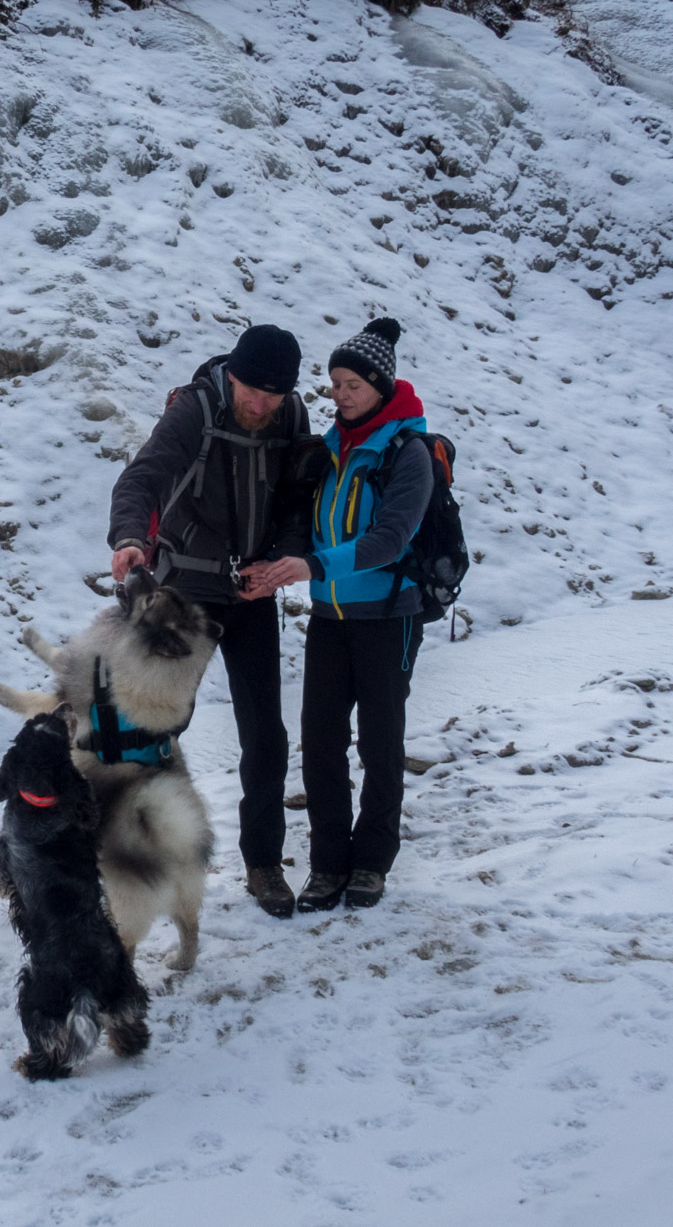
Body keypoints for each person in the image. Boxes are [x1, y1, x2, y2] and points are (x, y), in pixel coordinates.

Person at [106, 323, 316, 918]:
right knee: (153, 732)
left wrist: (278, 560)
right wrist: (127, 537)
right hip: (184, 591)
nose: (259, 404)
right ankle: (129, 860)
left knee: (266, 735)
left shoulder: (289, 415)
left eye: (272, 396)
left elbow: (298, 501)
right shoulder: (197, 409)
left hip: (251, 591)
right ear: (233, 375)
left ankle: (263, 864)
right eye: (251, 390)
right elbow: (141, 477)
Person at [283, 317, 432, 912]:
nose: (339, 394)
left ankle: (371, 862)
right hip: (330, 618)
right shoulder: (329, 448)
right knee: (320, 743)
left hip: (389, 616)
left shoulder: (407, 451)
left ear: (380, 386)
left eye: (352, 385)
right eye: (335, 383)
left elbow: (392, 539)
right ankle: (328, 864)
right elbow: (300, 517)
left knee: (380, 743)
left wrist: (314, 567)